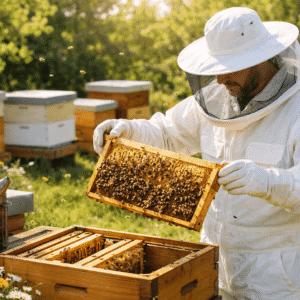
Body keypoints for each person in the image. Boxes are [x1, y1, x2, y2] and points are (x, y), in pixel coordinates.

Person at [93, 7, 300, 300]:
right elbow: (167, 132)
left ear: (262, 58)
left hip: (278, 276)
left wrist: (269, 182)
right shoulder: (218, 99)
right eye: (217, 67)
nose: (220, 79)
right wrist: (127, 130)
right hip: (215, 262)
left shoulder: (296, 110)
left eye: (231, 66)